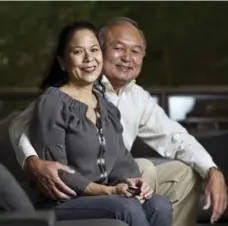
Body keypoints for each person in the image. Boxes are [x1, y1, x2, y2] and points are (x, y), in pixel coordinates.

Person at [9, 17, 227, 226]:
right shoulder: (61, 96)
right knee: (143, 174)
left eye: (136, 51)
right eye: (119, 48)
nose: (127, 57)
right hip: (74, 192)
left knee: (177, 183)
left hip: (114, 177)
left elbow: (175, 137)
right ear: (102, 50)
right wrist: (33, 161)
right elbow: (19, 125)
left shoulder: (131, 98)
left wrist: (212, 170)